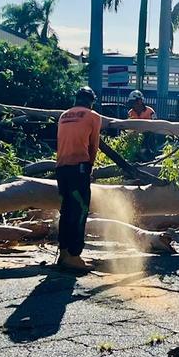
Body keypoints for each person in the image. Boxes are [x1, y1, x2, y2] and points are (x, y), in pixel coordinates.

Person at [55, 86, 101, 271]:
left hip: (61, 169)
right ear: (91, 101)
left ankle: (64, 253)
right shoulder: (93, 116)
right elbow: (93, 145)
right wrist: (89, 167)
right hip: (78, 169)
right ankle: (75, 255)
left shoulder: (63, 116)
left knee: (66, 210)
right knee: (80, 210)